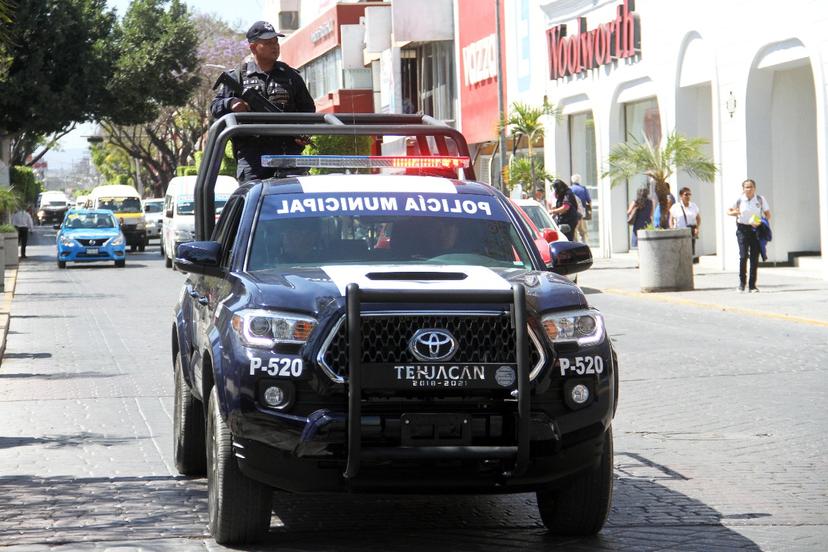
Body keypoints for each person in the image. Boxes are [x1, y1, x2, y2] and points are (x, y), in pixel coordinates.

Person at [210, 21, 316, 182]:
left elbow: (308, 110)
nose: (275, 46)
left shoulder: (291, 76)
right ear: (253, 48)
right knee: (253, 202)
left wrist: (303, 132)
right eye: (268, 43)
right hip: (252, 159)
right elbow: (215, 107)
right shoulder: (237, 77)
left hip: (287, 155)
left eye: (276, 42)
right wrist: (231, 103)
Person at [727, 178, 771, 293]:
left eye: (751, 187)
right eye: (747, 187)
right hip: (742, 229)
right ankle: (742, 283)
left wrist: (758, 221)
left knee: (754, 257)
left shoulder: (760, 199)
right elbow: (729, 211)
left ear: (754, 188)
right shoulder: (739, 199)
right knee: (743, 256)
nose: (749, 189)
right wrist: (735, 213)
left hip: (755, 230)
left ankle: (752, 285)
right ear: (743, 189)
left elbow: (768, 215)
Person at [670, 186, 701, 261]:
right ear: (681, 196)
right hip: (679, 231)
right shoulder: (675, 207)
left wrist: (697, 228)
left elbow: (698, 218)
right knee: (680, 251)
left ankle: (689, 269)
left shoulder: (693, 206)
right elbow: (671, 219)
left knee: (690, 252)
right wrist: (672, 229)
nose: (688, 196)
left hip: (691, 231)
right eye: (686, 194)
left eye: (689, 194)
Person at [569, 174, 592, 243]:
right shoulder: (583, 189)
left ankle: (575, 245)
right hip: (582, 213)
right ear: (580, 180)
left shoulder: (570, 189)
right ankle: (584, 245)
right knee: (583, 231)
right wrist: (590, 210)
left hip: (572, 213)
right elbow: (589, 201)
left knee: (574, 230)